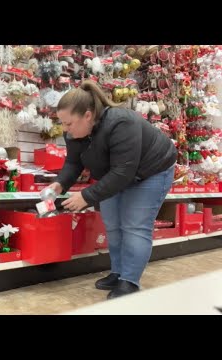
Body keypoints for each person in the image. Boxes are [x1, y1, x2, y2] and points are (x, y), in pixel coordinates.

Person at [45, 80, 177, 299]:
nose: (65, 129)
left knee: (135, 225)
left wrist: (86, 196)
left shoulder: (121, 122)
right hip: (116, 173)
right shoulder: (75, 132)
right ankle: (118, 272)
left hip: (152, 170)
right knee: (113, 224)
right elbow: (73, 163)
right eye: (63, 124)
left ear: (88, 115)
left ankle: (130, 281)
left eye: (68, 124)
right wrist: (59, 184)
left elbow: (124, 172)